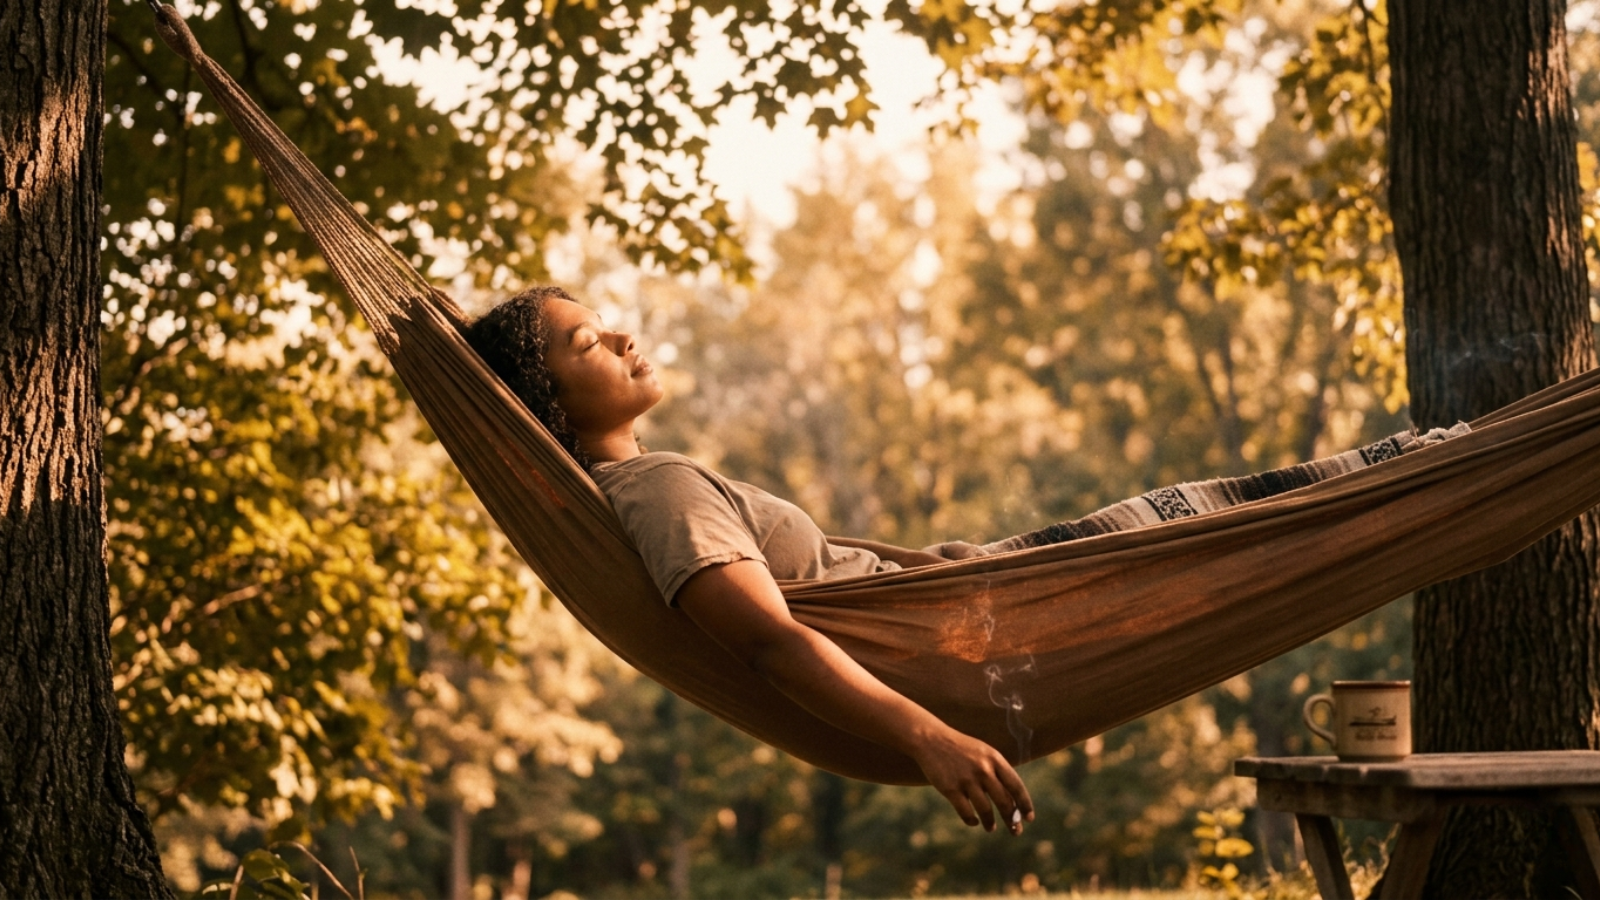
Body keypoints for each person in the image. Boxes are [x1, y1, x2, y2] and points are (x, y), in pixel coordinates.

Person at [464, 286, 1036, 835]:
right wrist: (930, 738)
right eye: (591, 343)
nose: (624, 339)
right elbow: (768, 641)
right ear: (548, 403)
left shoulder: (642, 486)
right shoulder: (657, 488)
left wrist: (941, 567)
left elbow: (818, 567)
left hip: (963, 586)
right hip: (968, 625)